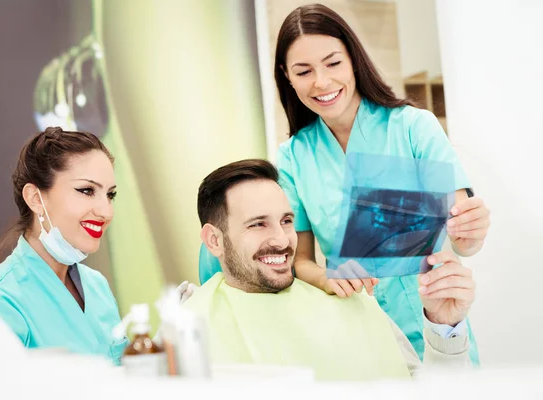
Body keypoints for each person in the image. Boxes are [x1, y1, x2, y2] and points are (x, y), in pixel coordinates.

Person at [199, 3, 489, 364]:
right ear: (286, 76)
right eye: (303, 71)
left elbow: (463, 238)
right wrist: (328, 278)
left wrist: (472, 229)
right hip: (358, 325)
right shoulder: (293, 155)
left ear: (353, 59)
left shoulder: (415, 127)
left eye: (333, 63)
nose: (321, 82)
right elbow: (300, 260)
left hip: (437, 315)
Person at [186, 159, 474, 380]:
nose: (282, 239)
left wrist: (443, 326)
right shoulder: (187, 330)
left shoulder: (353, 301)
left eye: (286, 221)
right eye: (258, 224)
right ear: (214, 240)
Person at [0, 127, 127, 364]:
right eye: (86, 190)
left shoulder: (98, 287)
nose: (106, 211)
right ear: (35, 198)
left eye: (110, 195)